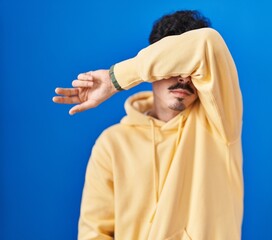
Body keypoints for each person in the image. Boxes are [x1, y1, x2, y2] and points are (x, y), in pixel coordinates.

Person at [53, 10, 244, 240]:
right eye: (172, 67)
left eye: (191, 68)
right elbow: (94, 233)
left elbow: (208, 42)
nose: (184, 77)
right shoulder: (112, 143)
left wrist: (115, 79)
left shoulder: (220, 124)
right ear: (153, 70)